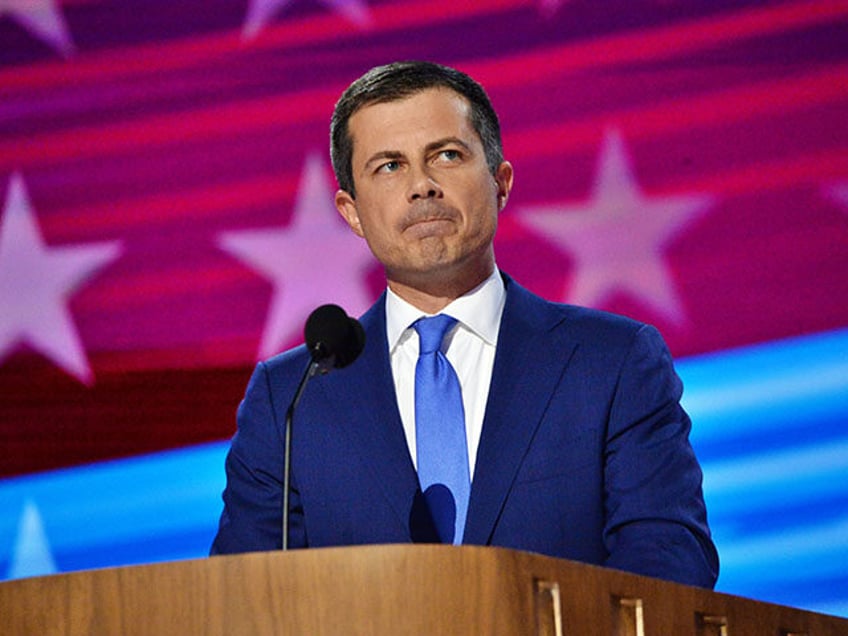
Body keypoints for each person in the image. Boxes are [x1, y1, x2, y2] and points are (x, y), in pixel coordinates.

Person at [210, 61, 719, 588]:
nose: (422, 186)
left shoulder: (612, 362)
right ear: (351, 212)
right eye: (389, 166)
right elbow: (243, 599)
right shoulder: (291, 398)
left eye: (446, 156)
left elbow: (669, 566)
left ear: (500, 182)